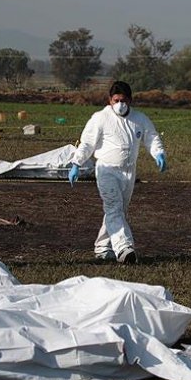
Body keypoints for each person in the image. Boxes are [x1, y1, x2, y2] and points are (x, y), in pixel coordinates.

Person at [68, 81, 167, 264]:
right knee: (114, 207)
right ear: (110, 100)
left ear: (130, 100)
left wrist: (158, 153)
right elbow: (87, 142)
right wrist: (77, 162)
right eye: (116, 100)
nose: (120, 104)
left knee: (118, 210)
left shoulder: (140, 119)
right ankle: (124, 248)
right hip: (107, 170)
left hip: (129, 171)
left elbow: (151, 138)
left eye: (123, 100)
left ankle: (103, 247)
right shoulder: (100, 118)